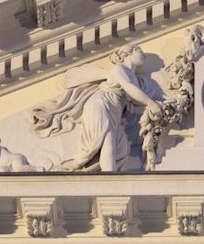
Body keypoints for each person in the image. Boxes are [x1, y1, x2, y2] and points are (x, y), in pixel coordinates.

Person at [28, 45, 163, 172]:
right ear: (128, 53)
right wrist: (151, 104)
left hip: (114, 112)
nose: (143, 54)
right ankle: (108, 178)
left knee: (121, 149)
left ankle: (99, 173)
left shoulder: (135, 78)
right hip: (101, 105)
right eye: (139, 51)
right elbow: (129, 88)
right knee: (107, 139)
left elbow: (138, 97)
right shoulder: (120, 69)